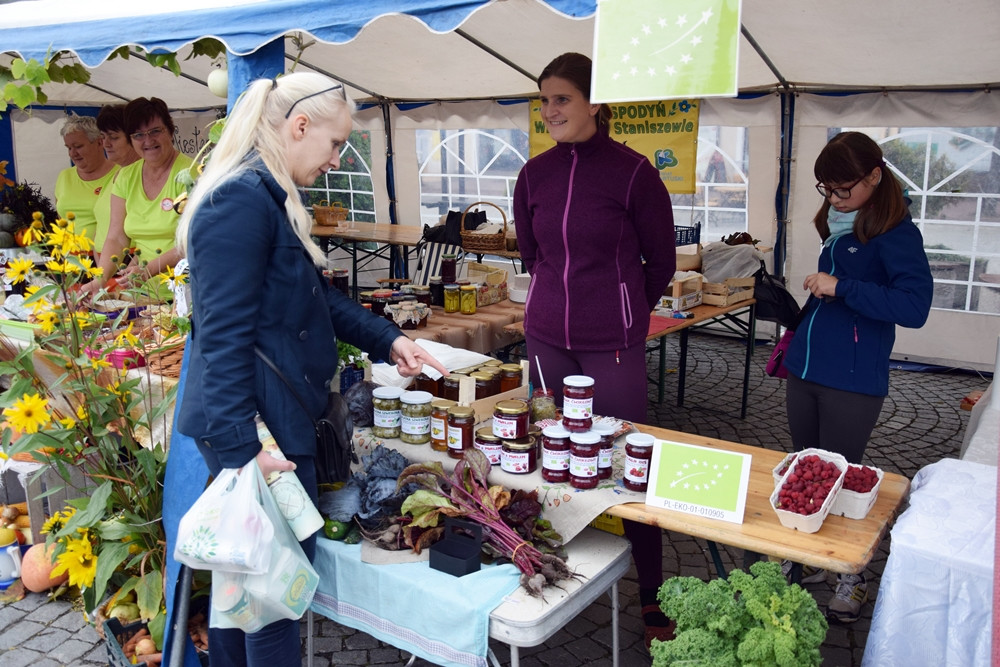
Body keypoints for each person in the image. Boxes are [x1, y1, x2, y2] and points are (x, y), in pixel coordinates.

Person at [174, 72, 448, 666]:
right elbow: (218, 337)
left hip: (270, 416)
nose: (337, 158)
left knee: (242, 581)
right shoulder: (239, 201)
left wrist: (388, 338)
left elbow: (313, 300)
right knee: (270, 590)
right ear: (299, 127)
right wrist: (243, 447)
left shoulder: (266, 194)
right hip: (258, 424)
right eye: (335, 143)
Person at [512, 52, 676, 648]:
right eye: (545, 99)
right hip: (546, 338)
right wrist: (557, 305)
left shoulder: (634, 173)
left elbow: (659, 261)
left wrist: (623, 306)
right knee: (544, 454)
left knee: (629, 466)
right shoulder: (533, 175)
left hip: (614, 343)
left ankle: (653, 591)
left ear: (595, 103)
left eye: (563, 98)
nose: (551, 110)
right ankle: (545, 566)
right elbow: (533, 256)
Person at [782, 131, 933, 623]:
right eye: (826, 189)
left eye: (844, 188)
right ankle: (810, 559)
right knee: (806, 469)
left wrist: (842, 286)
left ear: (874, 175)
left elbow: (914, 308)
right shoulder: (843, 219)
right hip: (807, 367)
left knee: (844, 477)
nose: (834, 198)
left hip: (852, 377)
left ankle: (854, 573)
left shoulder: (897, 232)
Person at [84, 97, 192, 295]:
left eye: (155, 131)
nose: (148, 140)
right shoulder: (126, 176)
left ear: (170, 130)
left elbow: (192, 241)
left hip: (187, 293)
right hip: (142, 296)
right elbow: (116, 236)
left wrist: (148, 270)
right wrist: (99, 280)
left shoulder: (192, 174)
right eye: (138, 135)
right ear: (131, 139)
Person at [53, 115, 116, 243]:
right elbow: (61, 219)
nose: (72, 153)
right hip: (70, 257)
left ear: (99, 142)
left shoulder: (120, 174)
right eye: (69, 148)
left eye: (78, 146)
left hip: (107, 257)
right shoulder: (64, 177)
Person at [93, 104, 140, 261]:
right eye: (103, 136)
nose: (106, 143)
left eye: (113, 137)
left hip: (130, 263)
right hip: (105, 265)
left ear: (133, 138)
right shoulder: (117, 173)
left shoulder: (142, 175)